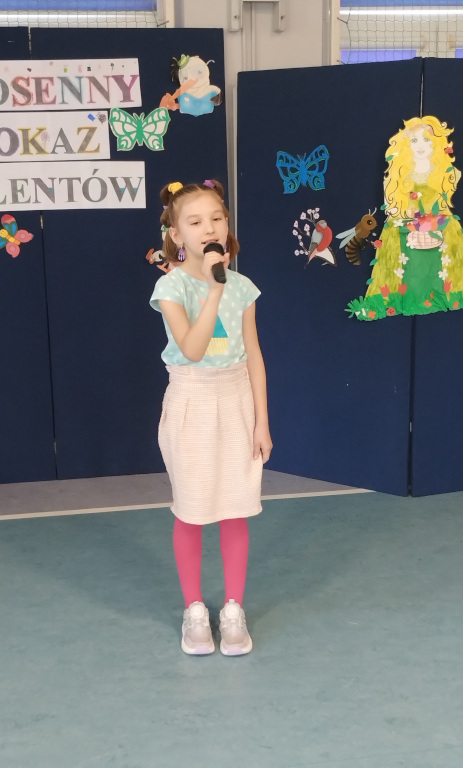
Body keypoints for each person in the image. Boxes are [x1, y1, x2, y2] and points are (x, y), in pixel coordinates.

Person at [150, 179, 272, 656]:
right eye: (195, 221)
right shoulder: (171, 286)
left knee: (235, 508)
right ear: (176, 235)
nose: (209, 228)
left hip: (236, 400)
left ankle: (233, 609)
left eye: (217, 218)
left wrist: (261, 422)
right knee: (193, 509)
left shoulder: (244, 287)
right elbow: (194, 348)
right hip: (192, 402)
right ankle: (195, 610)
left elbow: (254, 355)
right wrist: (214, 290)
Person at [347, 116, 463, 320]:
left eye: (426, 139)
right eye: (414, 140)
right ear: (406, 143)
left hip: (440, 231)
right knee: (405, 273)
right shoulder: (396, 176)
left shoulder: (449, 174)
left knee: (442, 273)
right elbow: (392, 209)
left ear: (436, 142)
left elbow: (443, 207)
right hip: (403, 233)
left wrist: (432, 226)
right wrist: (411, 225)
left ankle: (443, 297)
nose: (420, 145)